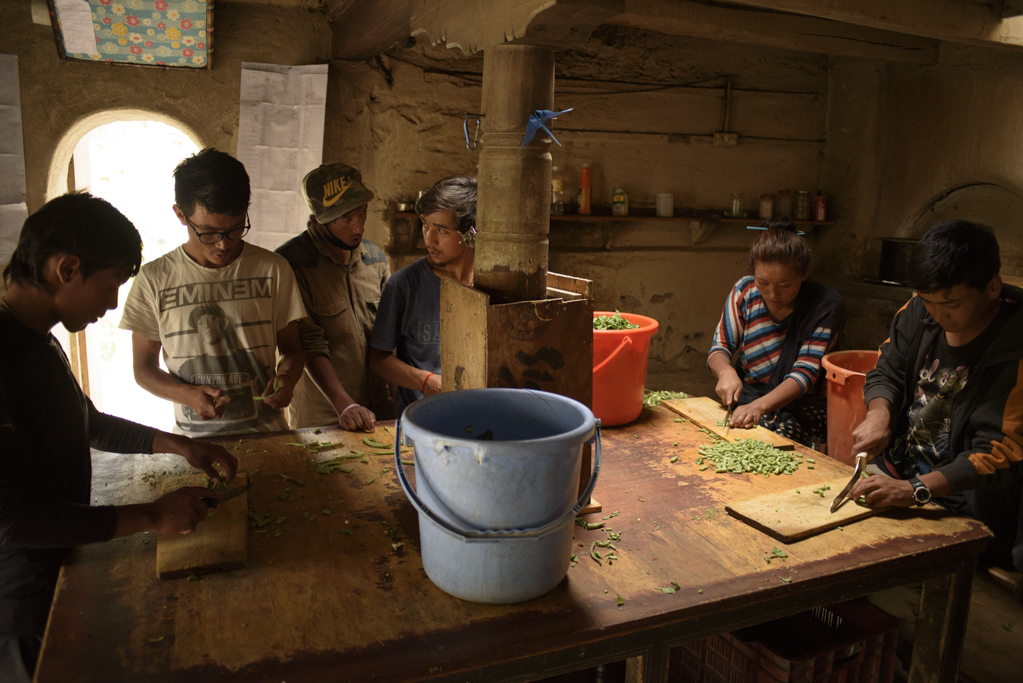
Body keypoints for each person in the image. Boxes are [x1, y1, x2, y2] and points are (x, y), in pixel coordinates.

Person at [0, 193, 237, 682]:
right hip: (18, 598)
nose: (112, 306)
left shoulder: (35, 338)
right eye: (111, 286)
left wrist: (180, 445)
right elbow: (11, 521)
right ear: (67, 269)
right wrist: (151, 515)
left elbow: (87, 422)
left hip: (55, 563)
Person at [851, 220, 1023, 573]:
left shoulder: (1014, 347)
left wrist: (914, 490)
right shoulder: (918, 308)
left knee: (903, 579)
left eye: (951, 304)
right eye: (927, 302)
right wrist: (878, 414)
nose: (937, 314)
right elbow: (887, 370)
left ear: (992, 287)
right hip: (901, 466)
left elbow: (997, 452)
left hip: (964, 494)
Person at [120, 148, 307, 436]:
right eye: (207, 233)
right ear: (181, 215)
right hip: (194, 444)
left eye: (234, 230)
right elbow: (143, 369)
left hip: (270, 436)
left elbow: (293, 349)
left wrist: (287, 379)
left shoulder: (274, 269)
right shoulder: (154, 279)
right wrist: (186, 394)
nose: (223, 244)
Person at [276, 163, 394, 431]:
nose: (358, 227)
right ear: (318, 220)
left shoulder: (374, 258)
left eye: (362, 213)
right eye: (346, 219)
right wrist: (345, 405)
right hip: (326, 415)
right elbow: (307, 343)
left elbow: (390, 334)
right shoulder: (292, 264)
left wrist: (399, 396)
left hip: (380, 406)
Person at [707, 220, 843, 447]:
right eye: (763, 282)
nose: (772, 293)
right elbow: (720, 348)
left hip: (802, 405)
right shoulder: (745, 291)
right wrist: (725, 372)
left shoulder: (823, 305)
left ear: (804, 273)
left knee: (775, 442)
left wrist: (760, 407)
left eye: (785, 285)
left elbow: (804, 374)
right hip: (750, 395)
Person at [368, 176, 476, 413]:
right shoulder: (404, 284)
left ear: (470, 233)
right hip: (421, 418)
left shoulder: (489, 284)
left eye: (442, 231)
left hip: (477, 414)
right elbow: (378, 359)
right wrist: (424, 381)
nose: (429, 239)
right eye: (425, 225)